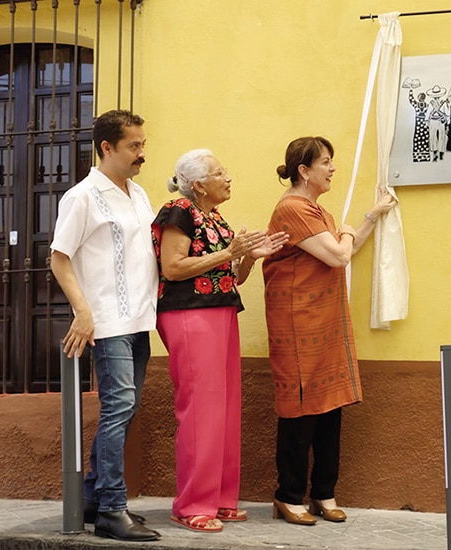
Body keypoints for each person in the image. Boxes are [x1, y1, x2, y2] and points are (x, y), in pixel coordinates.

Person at [152, 149, 288, 532]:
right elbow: (173, 267)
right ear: (198, 184)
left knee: (225, 407)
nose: (228, 177)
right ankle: (192, 504)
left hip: (221, 311)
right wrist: (230, 252)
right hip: (189, 315)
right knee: (200, 410)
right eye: (219, 172)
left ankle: (220, 499)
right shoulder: (178, 210)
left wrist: (249, 257)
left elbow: (234, 275)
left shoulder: (215, 218)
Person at [263, 136, 397, 525]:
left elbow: (342, 249)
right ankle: (288, 496)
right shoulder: (293, 208)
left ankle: (323, 492)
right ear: (304, 171)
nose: (332, 168)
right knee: (300, 413)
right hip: (297, 324)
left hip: (322, 323)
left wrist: (371, 216)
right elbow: (340, 255)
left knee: (328, 411)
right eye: (325, 162)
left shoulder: (314, 210)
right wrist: (350, 232)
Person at [50, 109, 161, 542]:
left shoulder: (139, 193)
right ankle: (113, 508)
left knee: (127, 410)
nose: (141, 154)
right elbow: (59, 257)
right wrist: (83, 311)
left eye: (143, 145)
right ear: (107, 147)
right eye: (134, 146)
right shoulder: (81, 196)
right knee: (118, 410)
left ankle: (96, 498)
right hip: (108, 321)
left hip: (139, 318)